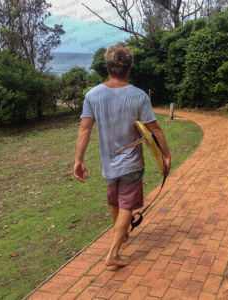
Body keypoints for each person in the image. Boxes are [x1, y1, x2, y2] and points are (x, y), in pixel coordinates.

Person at [73, 44, 171, 267]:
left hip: (108, 163)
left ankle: (122, 234)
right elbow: (154, 128)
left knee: (115, 199)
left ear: (107, 67)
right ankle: (113, 253)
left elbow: (84, 129)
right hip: (132, 163)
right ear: (129, 68)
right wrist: (166, 155)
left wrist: (78, 160)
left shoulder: (92, 95)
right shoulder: (138, 96)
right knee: (127, 205)